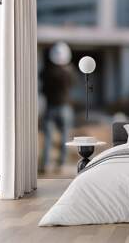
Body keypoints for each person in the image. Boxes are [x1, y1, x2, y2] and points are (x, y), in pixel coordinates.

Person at [39, 41, 76, 172]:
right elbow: (73, 83)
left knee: (48, 138)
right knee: (65, 137)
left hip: (50, 107)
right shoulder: (69, 71)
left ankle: (46, 164)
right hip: (65, 107)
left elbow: (42, 88)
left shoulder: (47, 72)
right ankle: (61, 164)